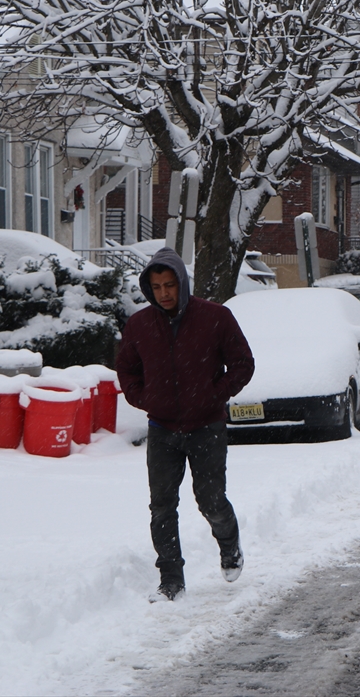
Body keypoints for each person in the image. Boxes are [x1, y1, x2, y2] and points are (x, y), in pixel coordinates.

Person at [116, 247, 255, 602]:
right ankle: (171, 580)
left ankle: (229, 544)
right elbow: (127, 370)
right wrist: (144, 399)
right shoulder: (139, 325)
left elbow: (242, 363)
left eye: (169, 285)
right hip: (163, 429)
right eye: (157, 286)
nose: (164, 293)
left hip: (206, 426)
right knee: (162, 505)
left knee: (210, 500)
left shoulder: (215, 318)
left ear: (182, 283)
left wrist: (215, 394)